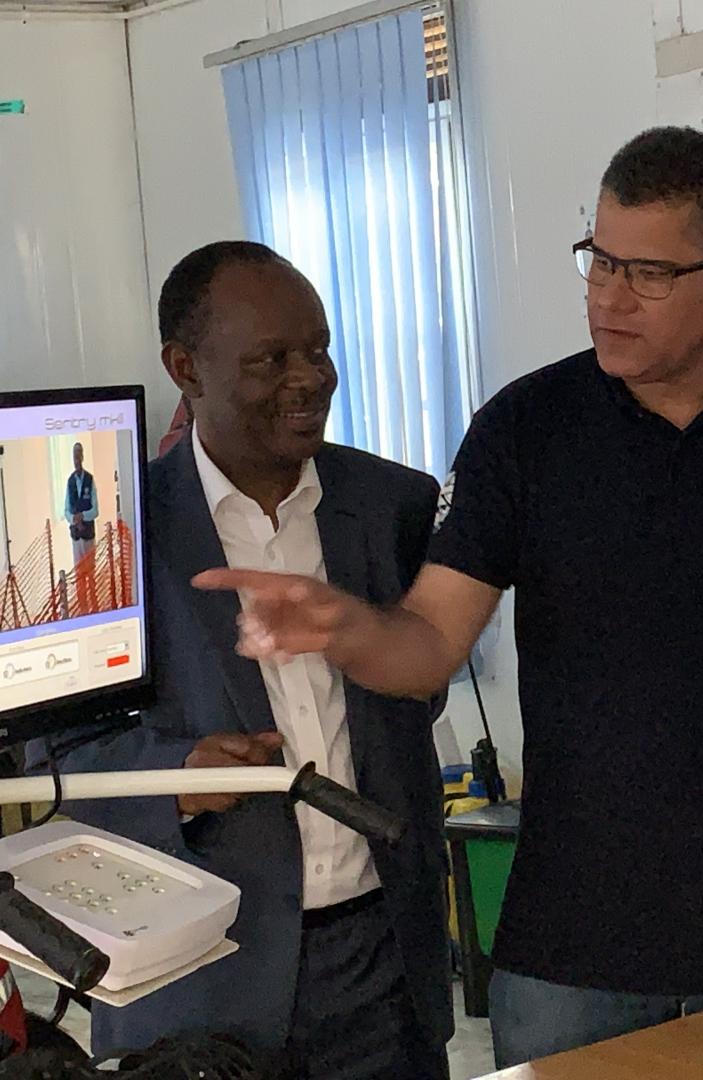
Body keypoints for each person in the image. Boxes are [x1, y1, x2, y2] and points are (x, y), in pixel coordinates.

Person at [195, 127, 703, 1067]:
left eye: (645, 273)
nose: (607, 298)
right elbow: (430, 644)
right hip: (576, 946)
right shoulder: (527, 428)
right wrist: (348, 628)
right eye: (598, 260)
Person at [43, 242, 452, 1077]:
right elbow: (50, 755)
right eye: (271, 359)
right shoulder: (107, 539)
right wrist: (178, 776)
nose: (309, 378)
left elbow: (422, 683)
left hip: (384, 963)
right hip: (197, 983)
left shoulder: (391, 504)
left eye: (319, 349)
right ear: (185, 369)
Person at [64, 442, 99, 613]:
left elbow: (95, 510)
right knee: (79, 575)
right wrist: (73, 519)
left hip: (88, 536)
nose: (76, 460)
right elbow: (66, 510)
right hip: (76, 537)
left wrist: (82, 516)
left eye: (78, 456)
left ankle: (95, 607)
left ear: (82, 457)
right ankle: (83, 610)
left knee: (91, 573)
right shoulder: (70, 481)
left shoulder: (90, 480)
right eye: (74, 457)